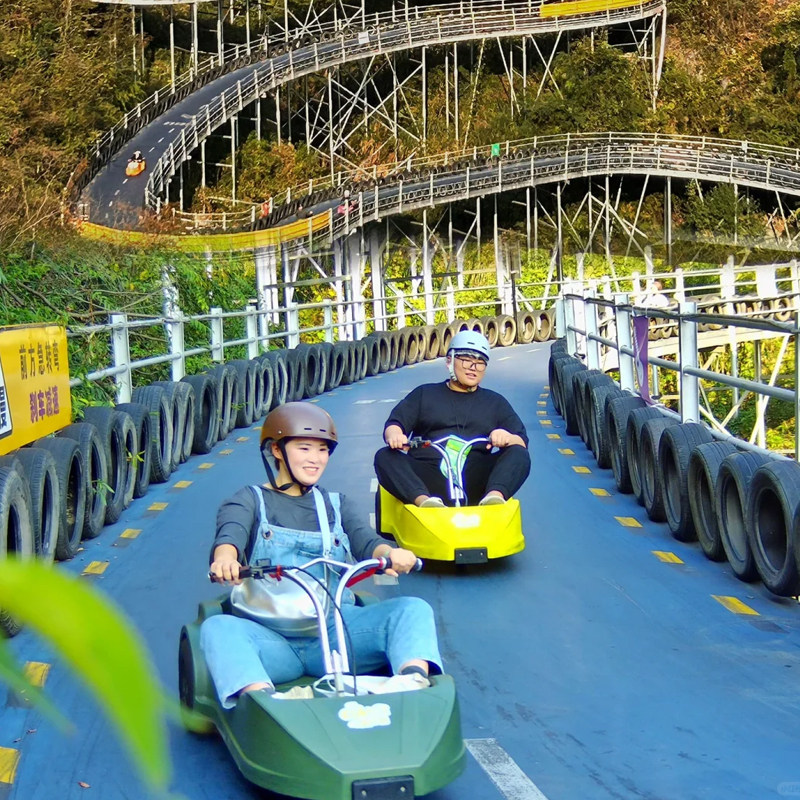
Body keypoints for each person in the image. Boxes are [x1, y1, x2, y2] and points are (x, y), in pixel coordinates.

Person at [200, 402, 443, 709]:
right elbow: (230, 535)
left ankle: (411, 687)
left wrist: (390, 554)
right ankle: (265, 704)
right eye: (304, 448)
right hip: (271, 638)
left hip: (333, 635)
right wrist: (225, 559)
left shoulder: (336, 504)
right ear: (276, 450)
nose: (315, 459)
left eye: (323, 450)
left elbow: (367, 542)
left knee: (412, 609)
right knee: (217, 628)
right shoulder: (249, 499)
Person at [374, 330, 531, 508]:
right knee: (384, 456)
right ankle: (424, 503)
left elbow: (521, 441)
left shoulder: (496, 402)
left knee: (519, 453)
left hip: (475, 475)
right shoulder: (425, 394)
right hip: (428, 476)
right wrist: (395, 436)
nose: (473, 367)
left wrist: (506, 437)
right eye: (466, 359)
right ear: (450, 361)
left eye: (480, 362)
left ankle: (493, 499)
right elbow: (395, 423)